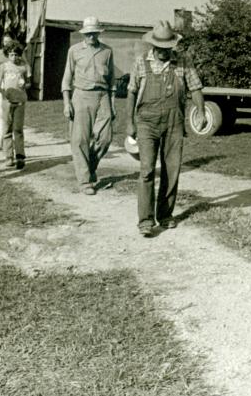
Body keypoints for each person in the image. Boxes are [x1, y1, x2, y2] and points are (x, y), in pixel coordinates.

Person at [127, 20, 204, 237]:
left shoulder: (183, 61)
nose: (163, 52)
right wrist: (129, 123)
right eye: (160, 48)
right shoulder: (141, 62)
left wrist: (200, 111)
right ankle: (145, 220)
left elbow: (196, 88)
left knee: (172, 169)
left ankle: (165, 214)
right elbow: (131, 92)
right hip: (146, 122)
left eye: (167, 48)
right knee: (147, 169)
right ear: (153, 45)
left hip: (174, 122)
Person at [61, 16, 116, 195]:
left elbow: (112, 79)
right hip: (81, 95)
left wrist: (113, 104)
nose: (91, 36)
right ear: (84, 34)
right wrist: (66, 102)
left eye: (94, 33)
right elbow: (67, 77)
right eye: (88, 34)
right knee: (80, 140)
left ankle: (88, 167)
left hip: (103, 95)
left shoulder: (107, 51)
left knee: (105, 138)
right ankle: (85, 181)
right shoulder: (74, 51)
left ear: (98, 33)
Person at [0, 42, 30, 168]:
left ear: (20, 55)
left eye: (16, 54)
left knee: (18, 129)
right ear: (7, 55)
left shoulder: (23, 67)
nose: (14, 57)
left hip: (20, 101)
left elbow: (29, 84)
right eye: (11, 54)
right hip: (7, 102)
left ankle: (20, 157)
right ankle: (8, 156)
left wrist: (24, 85)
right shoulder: (3, 67)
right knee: (7, 130)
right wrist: (4, 92)